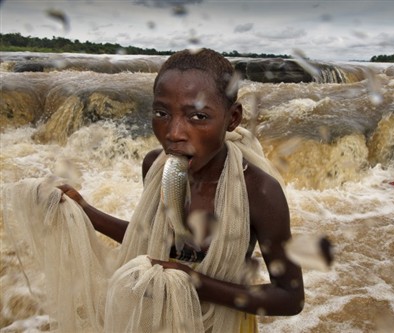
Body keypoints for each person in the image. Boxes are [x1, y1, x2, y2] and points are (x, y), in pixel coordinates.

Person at [12, 48, 303, 332]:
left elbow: (290, 298)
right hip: (160, 319)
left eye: (198, 117)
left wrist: (194, 283)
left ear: (233, 118)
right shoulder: (156, 166)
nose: (174, 132)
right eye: (162, 113)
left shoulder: (259, 192)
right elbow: (149, 238)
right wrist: (86, 210)